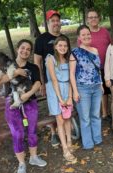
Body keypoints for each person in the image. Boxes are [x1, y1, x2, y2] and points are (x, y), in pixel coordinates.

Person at [0, 39, 47, 173]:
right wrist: (16, 72)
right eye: (22, 48)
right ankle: (22, 163)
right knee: (17, 134)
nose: (25, 51)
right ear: (18, 49)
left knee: (32, 131)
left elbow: (37, 83)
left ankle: (34, 157)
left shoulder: (33, 67)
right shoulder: (8, 64)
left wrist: (27, 95)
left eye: (28, 49)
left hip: (30, 102)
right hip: (12, 104)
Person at [34, 10, 70, 147]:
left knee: (64, 109)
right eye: (52, 21)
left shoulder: (64, 39)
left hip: (64, 81)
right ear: (47, 23)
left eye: (57, 20)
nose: (56, 23)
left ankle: (66, 135)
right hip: (50, 81)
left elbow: (67, 58)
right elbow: (37, 62)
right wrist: (41, 82)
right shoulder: (41, 39)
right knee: (54, 109)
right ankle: (54, 133)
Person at [70, 25, 103, 150]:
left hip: (96, 87)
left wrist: (101, 84)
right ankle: (88, 143)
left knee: (95, 114)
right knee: (85, 117)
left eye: (88, 34)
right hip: (82, 88)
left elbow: (98, 69)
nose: (86, 36)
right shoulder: (75, 53)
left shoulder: (95, 50)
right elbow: (72, 74)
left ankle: (97, 138)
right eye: (83, 35)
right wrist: (75, 91)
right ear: (79, 37)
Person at [45, 36, 77, 161]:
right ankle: (64, 149)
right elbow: (53, 80)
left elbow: (70, 79)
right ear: (55, 47)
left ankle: (69, 142)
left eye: (65, 46)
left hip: (66, 89)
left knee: (67, 117)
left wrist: (69, 97)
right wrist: (60, 99)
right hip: (55, 91)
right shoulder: (50, 59)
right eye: (60, 46)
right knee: (60, 119)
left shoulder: (69, 60)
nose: (63, 48)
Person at [85, 9, 111, 119]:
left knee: (105, 90)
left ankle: (105, 112)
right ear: (87, 20)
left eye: (95, 17)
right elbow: (81, 50)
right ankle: (96, 113)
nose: (93, 19)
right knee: (96, 91)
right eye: (91, 17)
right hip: (91, 68)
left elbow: (111, 46)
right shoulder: (85, 33)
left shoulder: (105, 31)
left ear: (99, 18)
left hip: (106, 66)